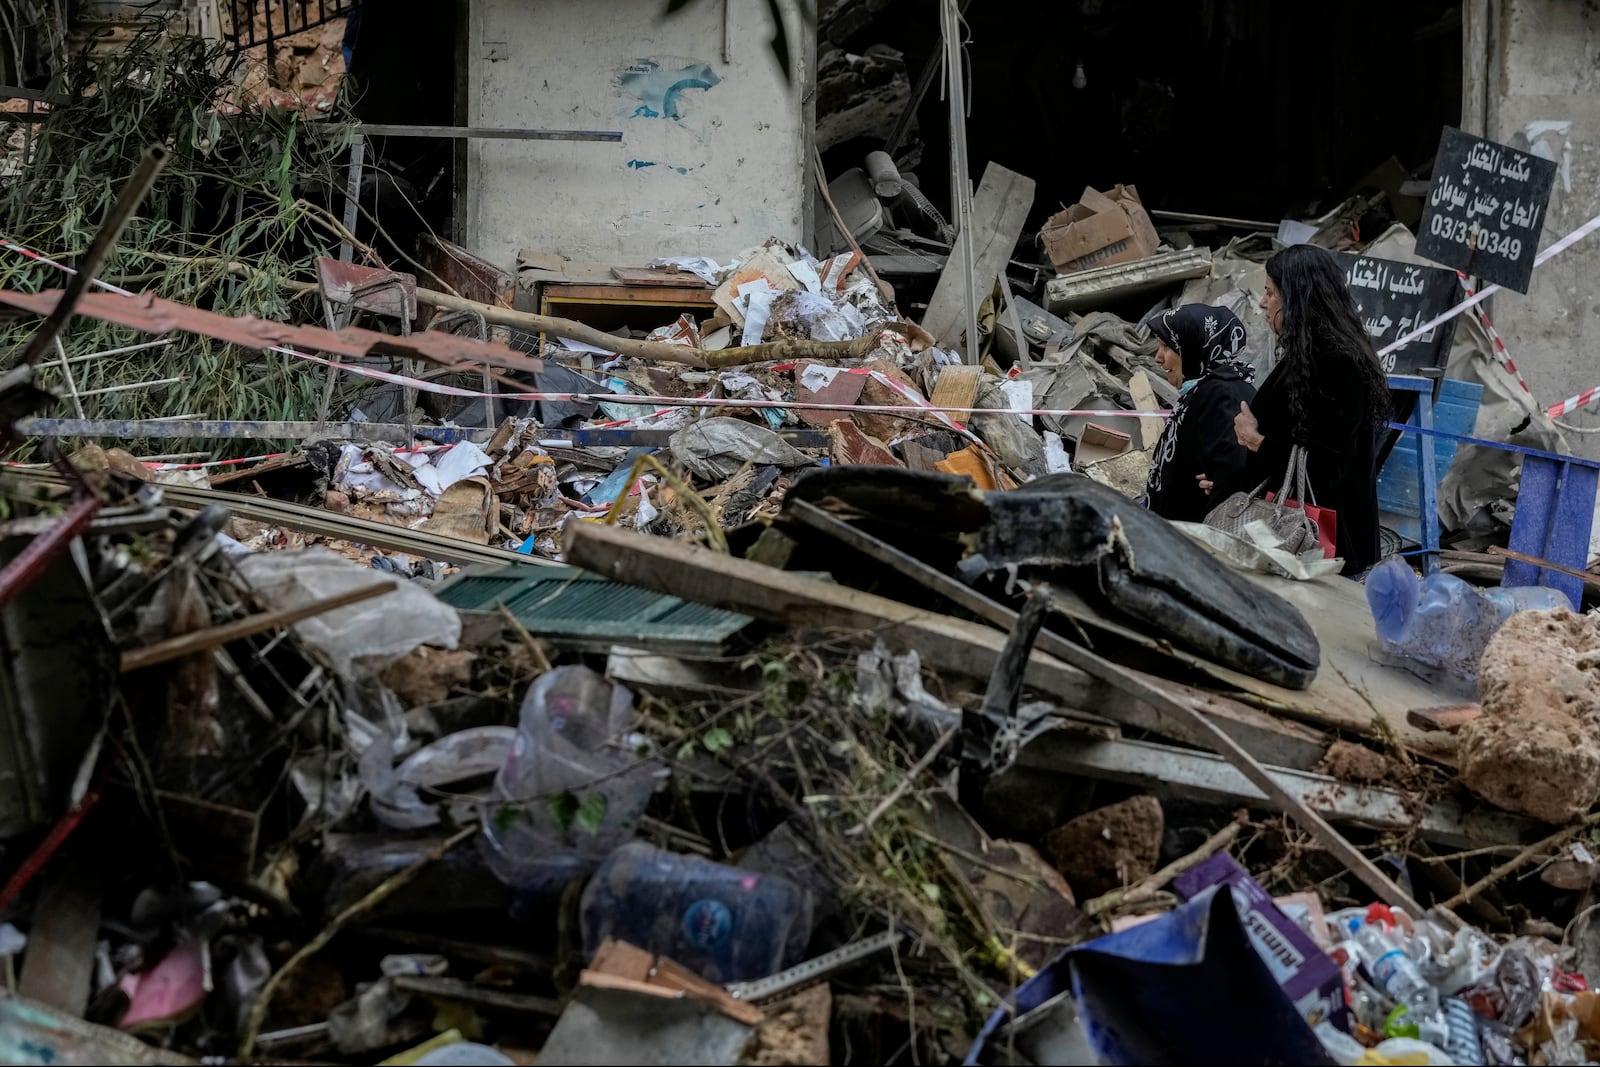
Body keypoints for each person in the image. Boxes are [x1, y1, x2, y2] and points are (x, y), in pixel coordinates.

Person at [1217, 243, 1393, 575]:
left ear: (1298, 297)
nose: (1263, 302)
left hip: (1322, 547)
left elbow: (1330, 466)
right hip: (1298, 540)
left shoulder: (1337, 362)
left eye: (1271, 293)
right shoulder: (1308, 353)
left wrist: (1257, 441)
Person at [1143, 304, 1257, 523]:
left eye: (1167, 346)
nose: (1158, 358)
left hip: (1200, 535)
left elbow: (1236, 466)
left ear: (1194, 346)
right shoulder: (1206, 389)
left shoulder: (1220, 394)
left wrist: (1220, 486)